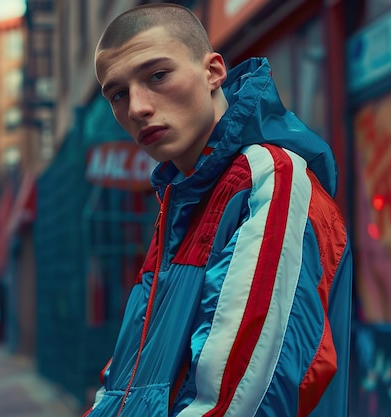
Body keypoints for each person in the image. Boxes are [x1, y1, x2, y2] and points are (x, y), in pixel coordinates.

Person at [86, 3, 353, 417]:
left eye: (157, 75)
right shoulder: (180, 201)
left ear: (213, 71)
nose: (136, 107)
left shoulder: (268, 178)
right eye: (118, 93)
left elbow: (240, 399)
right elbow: (127, 381)